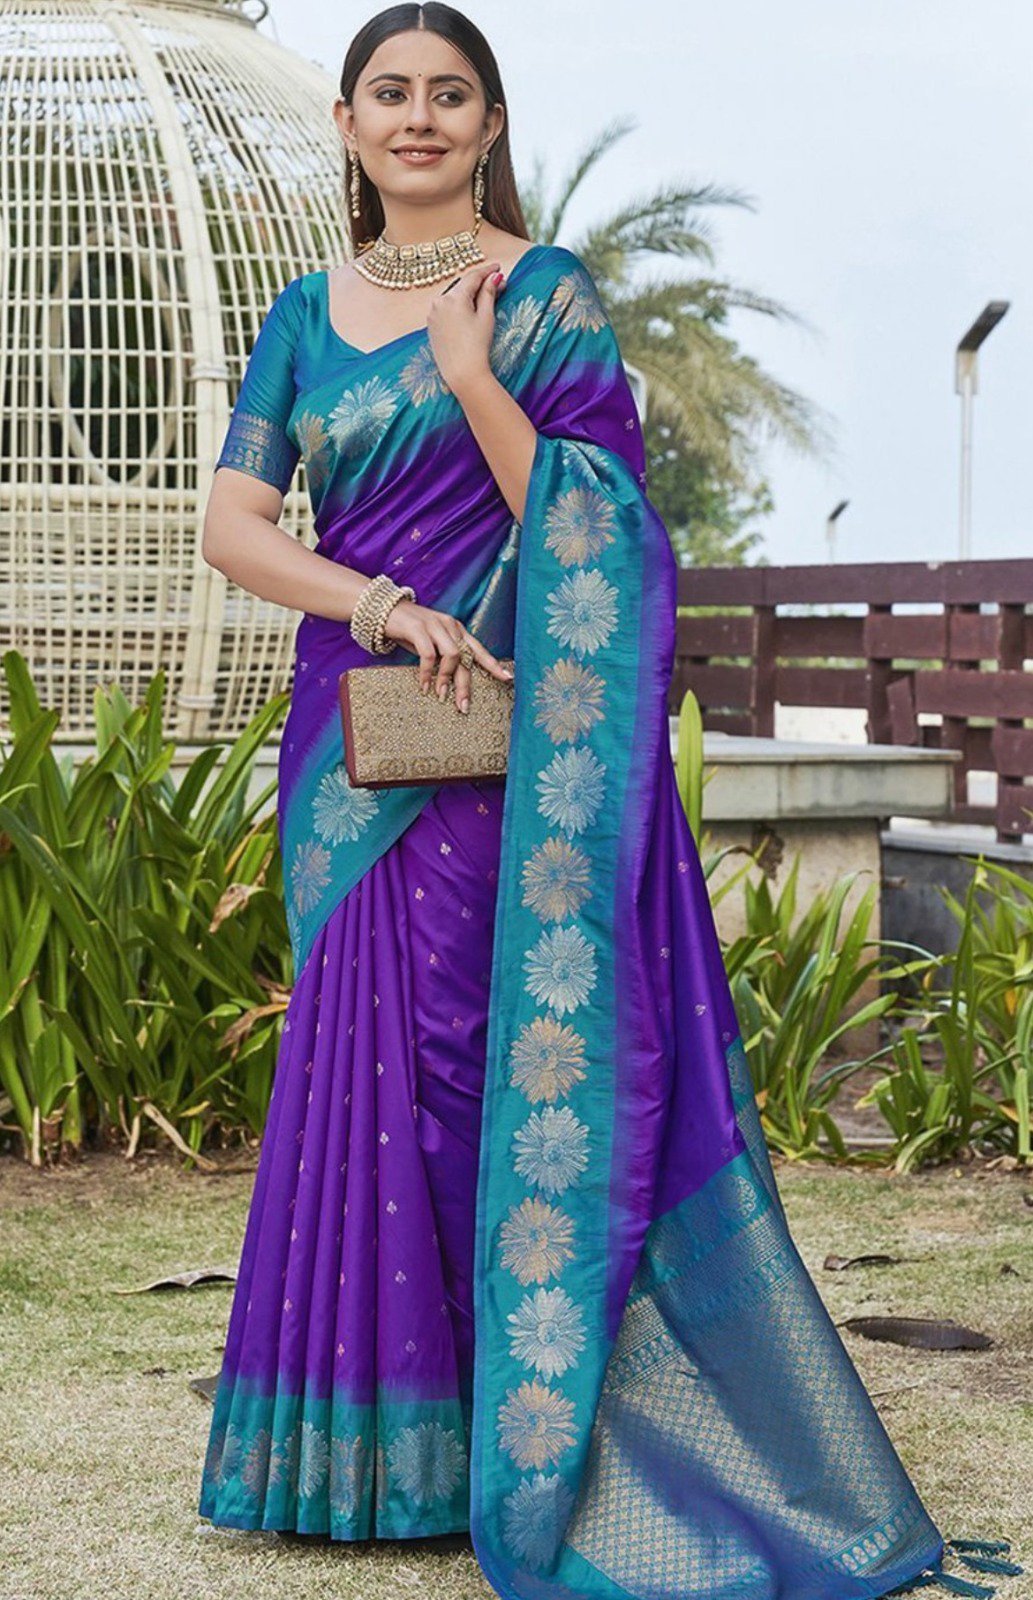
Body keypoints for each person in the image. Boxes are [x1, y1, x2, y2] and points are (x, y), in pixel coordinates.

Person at [197, 6, 1022, 1600]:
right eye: (390, 93)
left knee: (476, 1065)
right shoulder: (303, 314)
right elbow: (235, 524)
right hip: (356, 740)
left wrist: (469, 376)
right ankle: (363, 1457)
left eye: (450, 94)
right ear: (349, 126)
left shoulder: (545, 298)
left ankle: (512, 1442)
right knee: (361, 1068)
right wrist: (378, 603)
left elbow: (602, 527)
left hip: (504, 746)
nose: (419, 117)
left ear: (489, 123)